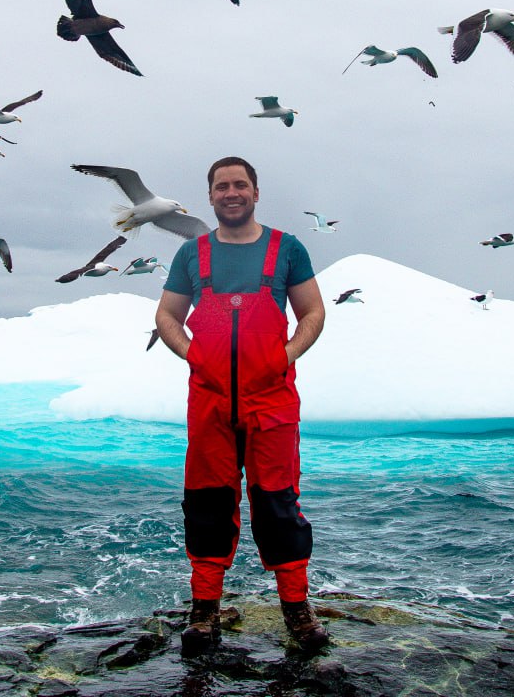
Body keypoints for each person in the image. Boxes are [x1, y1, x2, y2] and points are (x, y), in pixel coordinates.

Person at [155, 156, 328, 655]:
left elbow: (313, 311)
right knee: (207, 503)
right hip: (209, 400)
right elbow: (167, 314)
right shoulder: (193, 253)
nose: (232, 193)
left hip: (271, 399)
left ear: (256, 191)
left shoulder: (287, 249)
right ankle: (205, 609)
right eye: (222, 187)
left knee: (278, 504)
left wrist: (286, 353)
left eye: (240, 185)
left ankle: (296, 608)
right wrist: (195, 355)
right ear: (209, 197)